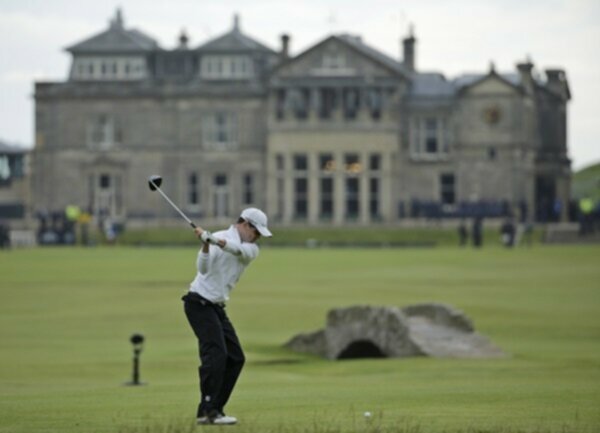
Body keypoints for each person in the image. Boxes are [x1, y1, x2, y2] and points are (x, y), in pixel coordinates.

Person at [182, 208, 272, 425]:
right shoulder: (219, 237)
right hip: (198, 304)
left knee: (236, 358)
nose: (257, 237)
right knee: (216, 354)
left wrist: (215, 241)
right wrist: (205, 244)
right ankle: (207, 410)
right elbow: (202, 269)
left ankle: (215, 409)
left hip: (216, 307)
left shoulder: (251, 249)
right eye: (256, 232)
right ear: (245, 224)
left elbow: (237, 250)